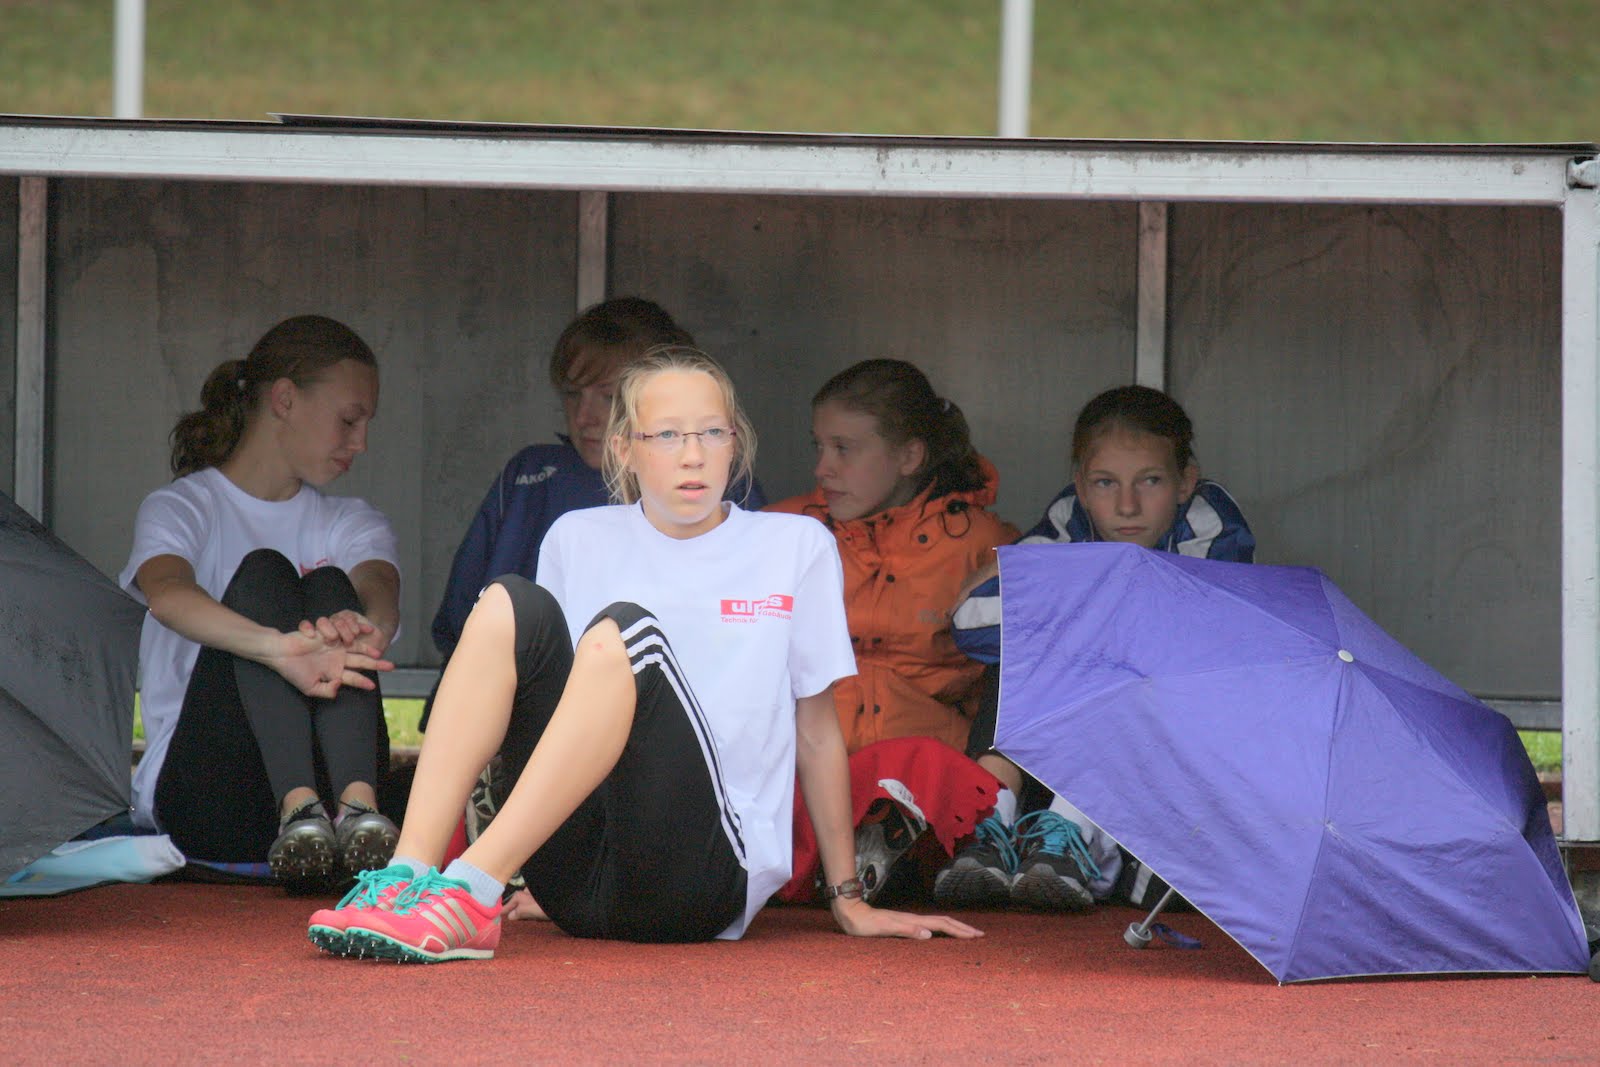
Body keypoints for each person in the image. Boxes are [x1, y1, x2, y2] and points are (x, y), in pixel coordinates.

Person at [307, 347, 981, 962]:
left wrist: (848, 896)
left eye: (711, 433)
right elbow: (554, 708)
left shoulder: (793, 545)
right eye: (667, 436)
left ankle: (468, 889)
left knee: (623, 633)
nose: (693, 456)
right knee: (506, 601)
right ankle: (406, 877)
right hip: (578, 881)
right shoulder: (576, 536)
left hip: (701, 879)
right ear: (624, 449)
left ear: (735, 444)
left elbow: (817, 729)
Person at [938, 383, 1255, 911]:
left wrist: (1066, 597)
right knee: (1017, 659)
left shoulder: (1210, 520)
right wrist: (1080, 608)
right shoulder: (1071, 518)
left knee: (1122, 669)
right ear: (1082, 488)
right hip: (1063, 748)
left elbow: (1187, 639)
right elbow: (973, 622)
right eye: (1106, 483)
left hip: (1172, 752)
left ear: (1185, 482)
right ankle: (990, 823)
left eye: (1150, 481)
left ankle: (1072, 834)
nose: (1127, 505)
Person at [119, 315, 402, 893]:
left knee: (332, 587)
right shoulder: (182, 507)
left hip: (334, 799)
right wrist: (279, 650)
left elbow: (378, 585)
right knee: (264, 573)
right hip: (208, 795)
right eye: (349, 420)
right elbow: (167, 594)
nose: (361, 444)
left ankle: (357, 809)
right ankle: (297, 806)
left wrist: (364, 625)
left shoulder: (351, 519)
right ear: (285, 399)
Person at [767, 359, 1018, 904]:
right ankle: (849, 860)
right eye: (819, 447)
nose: (823, 468)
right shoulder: (783, 532)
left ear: (909, 457)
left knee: (920, 764)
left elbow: (1016, 685)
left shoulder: (984, 544)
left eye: (844, 449)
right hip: (811, 764)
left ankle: (871, 856)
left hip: (927, 771)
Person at [428, 296, 764, 671]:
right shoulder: (531, 475)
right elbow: (459, 622)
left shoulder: (718, 484)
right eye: (573, 394)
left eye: (609, 396)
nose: (584, 416)